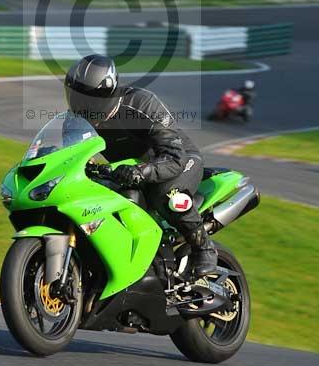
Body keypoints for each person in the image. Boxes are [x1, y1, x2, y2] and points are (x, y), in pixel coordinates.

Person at [64, 54, 217, 276]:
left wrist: (141, 171)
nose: (81, 106)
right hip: (129, 171)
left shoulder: (141, 104)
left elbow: (175, 156)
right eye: (76, 98)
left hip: (178, 161)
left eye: (88, 101)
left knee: (167, 195)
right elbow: (70, 156)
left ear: (107, 95)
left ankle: (204, 248)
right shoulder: (75, 120)